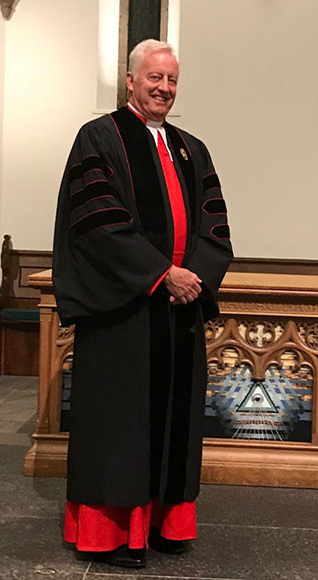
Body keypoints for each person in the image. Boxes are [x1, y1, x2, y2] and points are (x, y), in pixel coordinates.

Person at [52, 39, 233, 569]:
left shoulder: (190, 147)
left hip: (179, 309)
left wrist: (192, 278)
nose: (164, 88)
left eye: (172, 80)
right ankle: (111, 536)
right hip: (124, 311)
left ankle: (164, 523)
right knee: (120, 426)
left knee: (174, 423)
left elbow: (215, 224)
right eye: (154, 77)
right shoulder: (100, 138)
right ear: (130, 80)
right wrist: (160, 275)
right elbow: (98, 225)